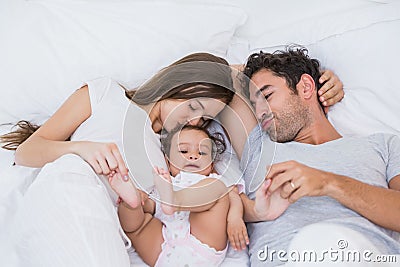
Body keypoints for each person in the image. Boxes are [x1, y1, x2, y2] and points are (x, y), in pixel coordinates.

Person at [0, 51, 343, 266]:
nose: (191, 122)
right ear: (177, 82)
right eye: (193, 108)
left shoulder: (176, 154)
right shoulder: (105, 96)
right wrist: (82, 150)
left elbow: (254, 78)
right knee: (73, 173)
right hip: (69, 190)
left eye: (202, 121)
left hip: (120, 233)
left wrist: (319, 78)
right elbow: (27, 151)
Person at [222, 46, 400, 266]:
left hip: (368, 255)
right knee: (314, 243)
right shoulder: (259, 146)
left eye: (267, 95)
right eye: (255, 104)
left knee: (321, 242)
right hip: (291, 258)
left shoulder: (383, 146)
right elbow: (209, 74)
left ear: (305, 87)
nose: (260, 112)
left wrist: (328, 183)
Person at [108, 124, 248, 266]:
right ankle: (131, 203)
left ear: (211, 165)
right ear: (168, 162)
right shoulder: (165, 184)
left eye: (202, 153)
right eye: (184, 150)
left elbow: (235, 198)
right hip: (165, 248)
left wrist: (235, 219)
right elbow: (151, 207)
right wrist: (142, 200)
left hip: (202, 244)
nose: (193, 156)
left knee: (217, 189)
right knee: (137, 227)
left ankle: (174, 200)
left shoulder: (213, 181)